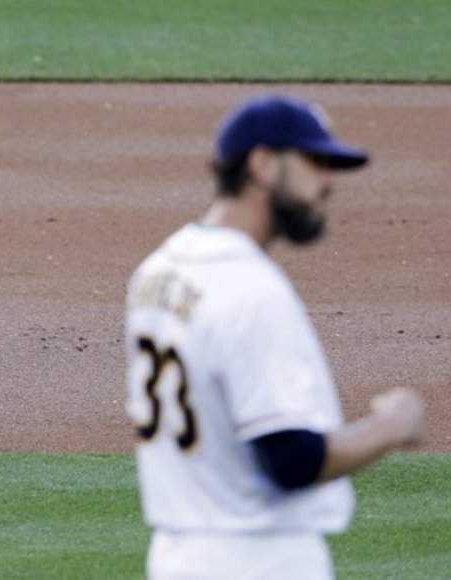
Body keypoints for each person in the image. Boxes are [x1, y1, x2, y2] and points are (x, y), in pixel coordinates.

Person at [124, 93, 424, 579]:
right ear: (262, 164)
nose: (328, 183)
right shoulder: (252, 291)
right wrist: (392, 426)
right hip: (258, 558)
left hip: (177, 556)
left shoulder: (158, 270)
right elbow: (291, 459)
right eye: (314, 162)